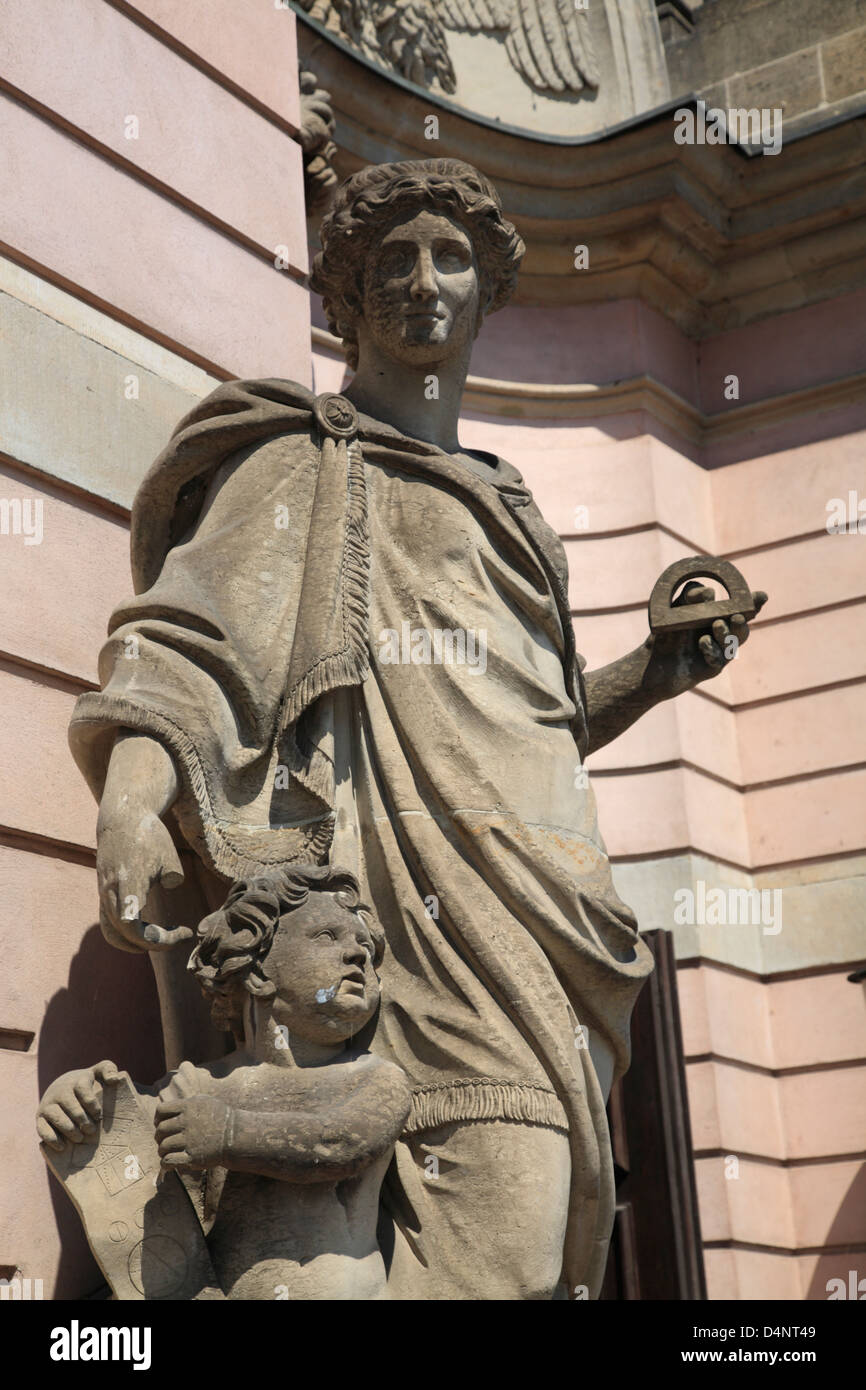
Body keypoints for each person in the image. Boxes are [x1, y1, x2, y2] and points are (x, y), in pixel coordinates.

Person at [69, 158, 766, 1299]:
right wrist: (131, 796)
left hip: (530, 912)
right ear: (343, 299)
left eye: (450, 260)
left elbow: (520, 736)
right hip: (376, 907)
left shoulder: (512, 511)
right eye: (391, 261)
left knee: (531, 1249)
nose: (423, 282)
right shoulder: (300, 457)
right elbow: (192, 643)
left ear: (487, 296)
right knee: (398, 1246)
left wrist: (651, 671)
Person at [37, 866, 411, 1300]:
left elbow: (339, 1145)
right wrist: (69, 1096)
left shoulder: (373, 1078)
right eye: (328, 937)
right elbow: (121, 1132)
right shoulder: (197, 1085)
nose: (358, 955)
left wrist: (229, 1134)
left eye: (366, 946)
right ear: (256, 970)